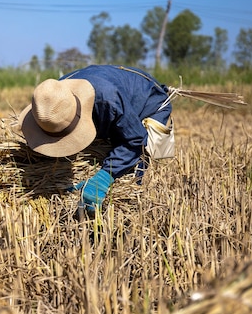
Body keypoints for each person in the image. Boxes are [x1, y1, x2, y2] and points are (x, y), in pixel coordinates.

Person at [19, 64, 173, 216]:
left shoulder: (108, 101)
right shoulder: (52, 100)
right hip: (111, 94)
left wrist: (104, 177)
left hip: (150, 103)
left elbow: (135, 140)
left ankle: (126, 220)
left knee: (133, 169)